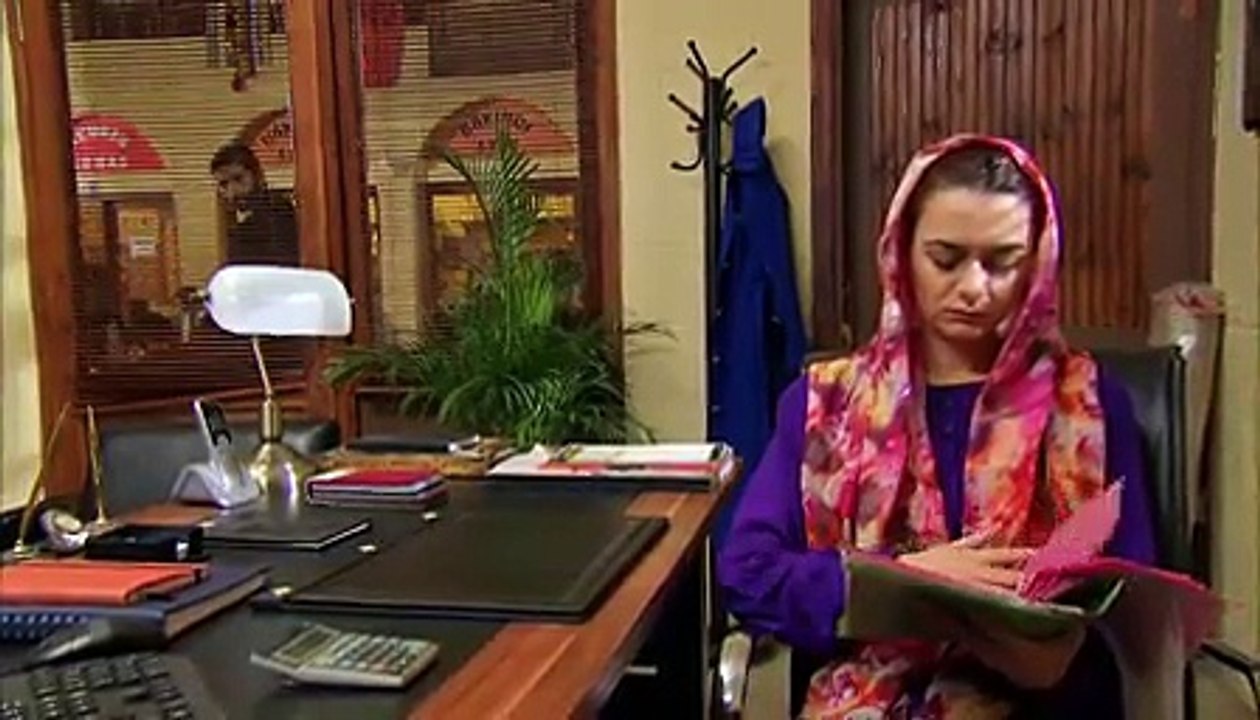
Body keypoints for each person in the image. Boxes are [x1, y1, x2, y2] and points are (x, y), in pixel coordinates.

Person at [717, 134, 1156, 718]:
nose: (974, 288)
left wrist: (1060, 649)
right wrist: (901, 584)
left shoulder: (1090, 405)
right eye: (945, 260)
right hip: (870, 698)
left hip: (1046, 698)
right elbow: (747, 573)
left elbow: (1136, 595)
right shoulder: (825, 404)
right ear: (902, 253)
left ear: (1037, 264)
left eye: (1003, 262)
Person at [210, 141, 299, 266]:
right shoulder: (241, 224)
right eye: (224, 184)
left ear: (257, 175)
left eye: (239, 179)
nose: (233, 190)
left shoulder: (278, 213)